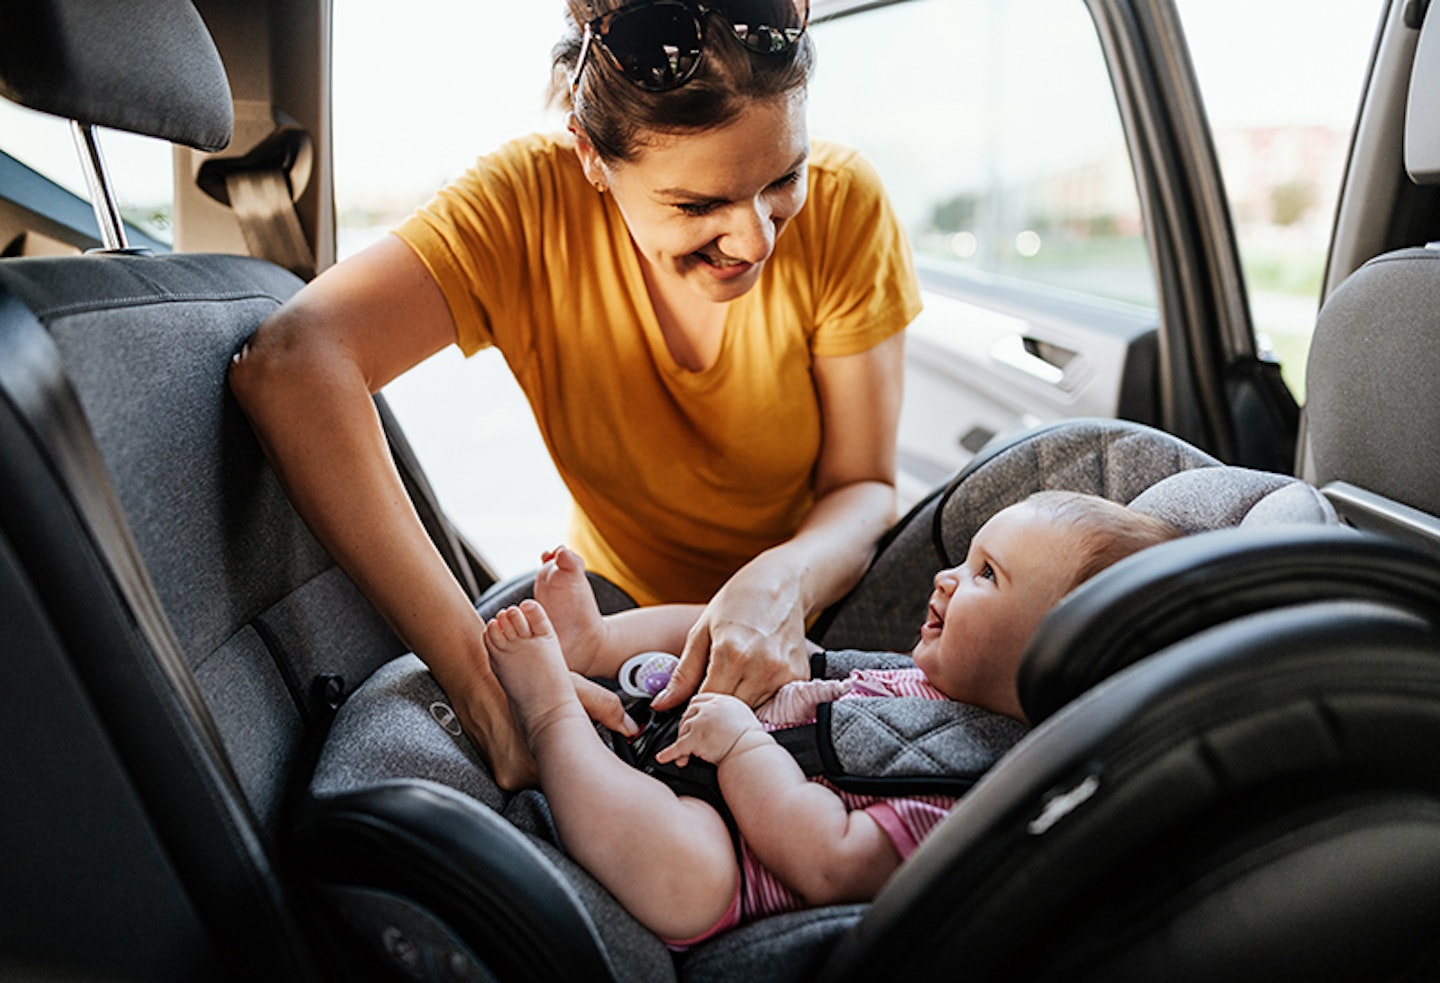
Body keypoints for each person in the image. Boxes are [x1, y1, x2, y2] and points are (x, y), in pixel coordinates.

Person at [228, 0, 922, 789]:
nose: (757, 238)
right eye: (697, 205)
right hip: (618, 622)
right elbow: (290, 363)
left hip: (815, 609)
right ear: (592, 156)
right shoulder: (527, 207)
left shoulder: (847, 204)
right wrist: (479, 683)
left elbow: (863, 487)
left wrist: (780, 580)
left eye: (782, 180)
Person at [483, 491, 1184, 944]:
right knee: (778, 640)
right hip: (715, 732)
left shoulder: (976, 792)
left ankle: (547, 716)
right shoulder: (924, 682)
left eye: (986, 576)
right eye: (967, 560)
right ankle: (598, 643)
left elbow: (832, 859)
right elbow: (817, 679)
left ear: (1052, 658)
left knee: (688, 878)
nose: (946, 578)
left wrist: (743, 750)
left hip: (738, 859)